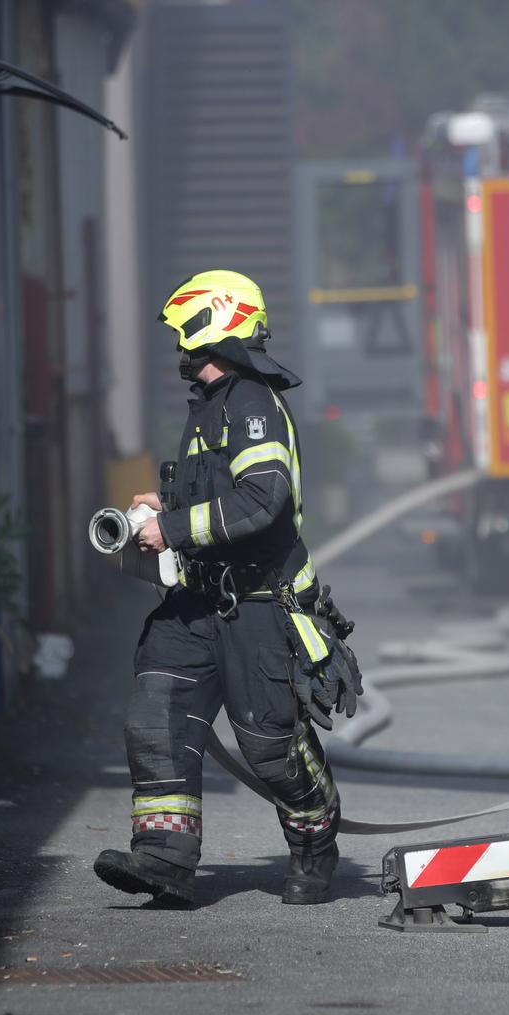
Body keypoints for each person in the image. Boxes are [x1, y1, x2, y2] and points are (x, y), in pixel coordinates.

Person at [94, 269, 360, 907]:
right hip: (195, 604)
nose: (179, 345)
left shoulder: (253, 403)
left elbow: (265, 502)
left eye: (184, 330)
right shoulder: (212, 408)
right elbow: (224, 495)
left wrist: (175, 526)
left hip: (259, 606)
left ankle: (315, 841)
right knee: (156, 716)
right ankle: (164, 861)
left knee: (270, 749)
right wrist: (163, 506)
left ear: (212, 323)